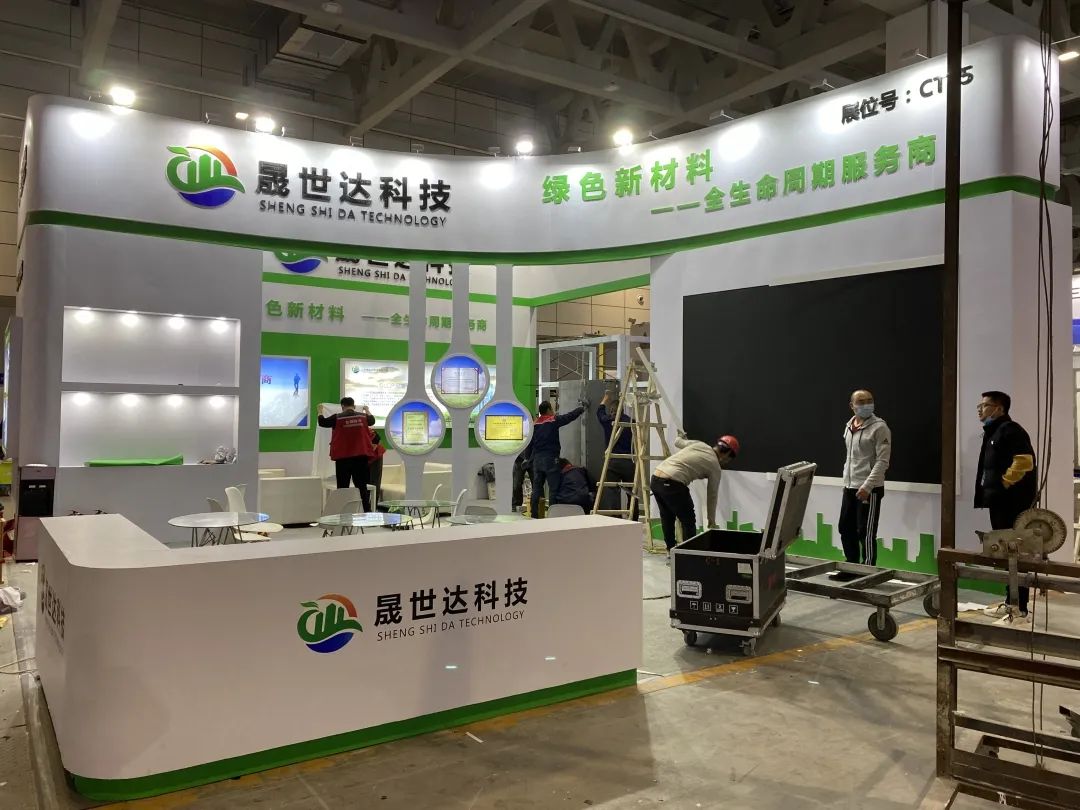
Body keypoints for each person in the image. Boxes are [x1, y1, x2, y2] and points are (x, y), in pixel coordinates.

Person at [976, 390, 1037, 625]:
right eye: (980, 406)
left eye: (985, 405)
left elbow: (1024, 462)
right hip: (999, 502)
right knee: (1005, 553)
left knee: (1016, 554)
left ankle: (1020, 610)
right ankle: (1010, 602)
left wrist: (1003, 483)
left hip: (1012, 503)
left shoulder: (1011, 430)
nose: (980, 410)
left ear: (999, 409)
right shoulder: (993, 432)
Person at [651, 433, 739, 556]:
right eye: (730, 458)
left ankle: (670, 552)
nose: (727, 461)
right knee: (688, 520)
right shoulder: (715, 466)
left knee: (667, 517)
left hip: (656, 478)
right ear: (727, 453)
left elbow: (678, 442)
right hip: (673, 483)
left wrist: (681, 435)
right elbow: (712, 496)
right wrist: (711, 522)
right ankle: (688, 555)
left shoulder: (700, 445)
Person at [835, 389, 892, 578]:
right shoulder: (849, 425)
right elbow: (851, 458)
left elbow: (882, 462)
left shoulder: (880, 427)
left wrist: (867, 486)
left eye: (870, 400)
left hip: (870, 489)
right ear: (852, 406)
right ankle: (851, 568)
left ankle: (867, 572)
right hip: (850, 486)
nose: (866, 404)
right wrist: (847, 481)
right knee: (845, 528)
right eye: (861, 401)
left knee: (865, 532)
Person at [527, 398, 587, 518]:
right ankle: (552, 515)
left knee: (537, 488)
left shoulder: (535, 424)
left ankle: (534, 514)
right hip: (551, 459)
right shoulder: (553, 420)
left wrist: (528, 459)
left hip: (537, 460)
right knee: (553, 489)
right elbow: (569, 416)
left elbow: (529, 444)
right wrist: (581, 408)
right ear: (549, 410)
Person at [317, 397, 376, 511]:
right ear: (354, 406)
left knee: (343, 488)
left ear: (342, 406)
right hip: (361, 458)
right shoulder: (363, 417)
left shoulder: (337, 418)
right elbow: (372, 420)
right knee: (362, 488)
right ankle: (367, 513)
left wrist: (320, 411)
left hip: (343, 459)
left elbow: (322, 422)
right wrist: (367, 410)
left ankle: (342, 514)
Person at [597, 391, 638, 520]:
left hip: (613, 462)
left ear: (612, 411)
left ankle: (616, 518)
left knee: (612, 491)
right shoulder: (630, 422)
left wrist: (605, 398)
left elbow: (599, 412)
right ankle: (634, 518)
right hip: (628, 461)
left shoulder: (608, 421)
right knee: (631, 492)